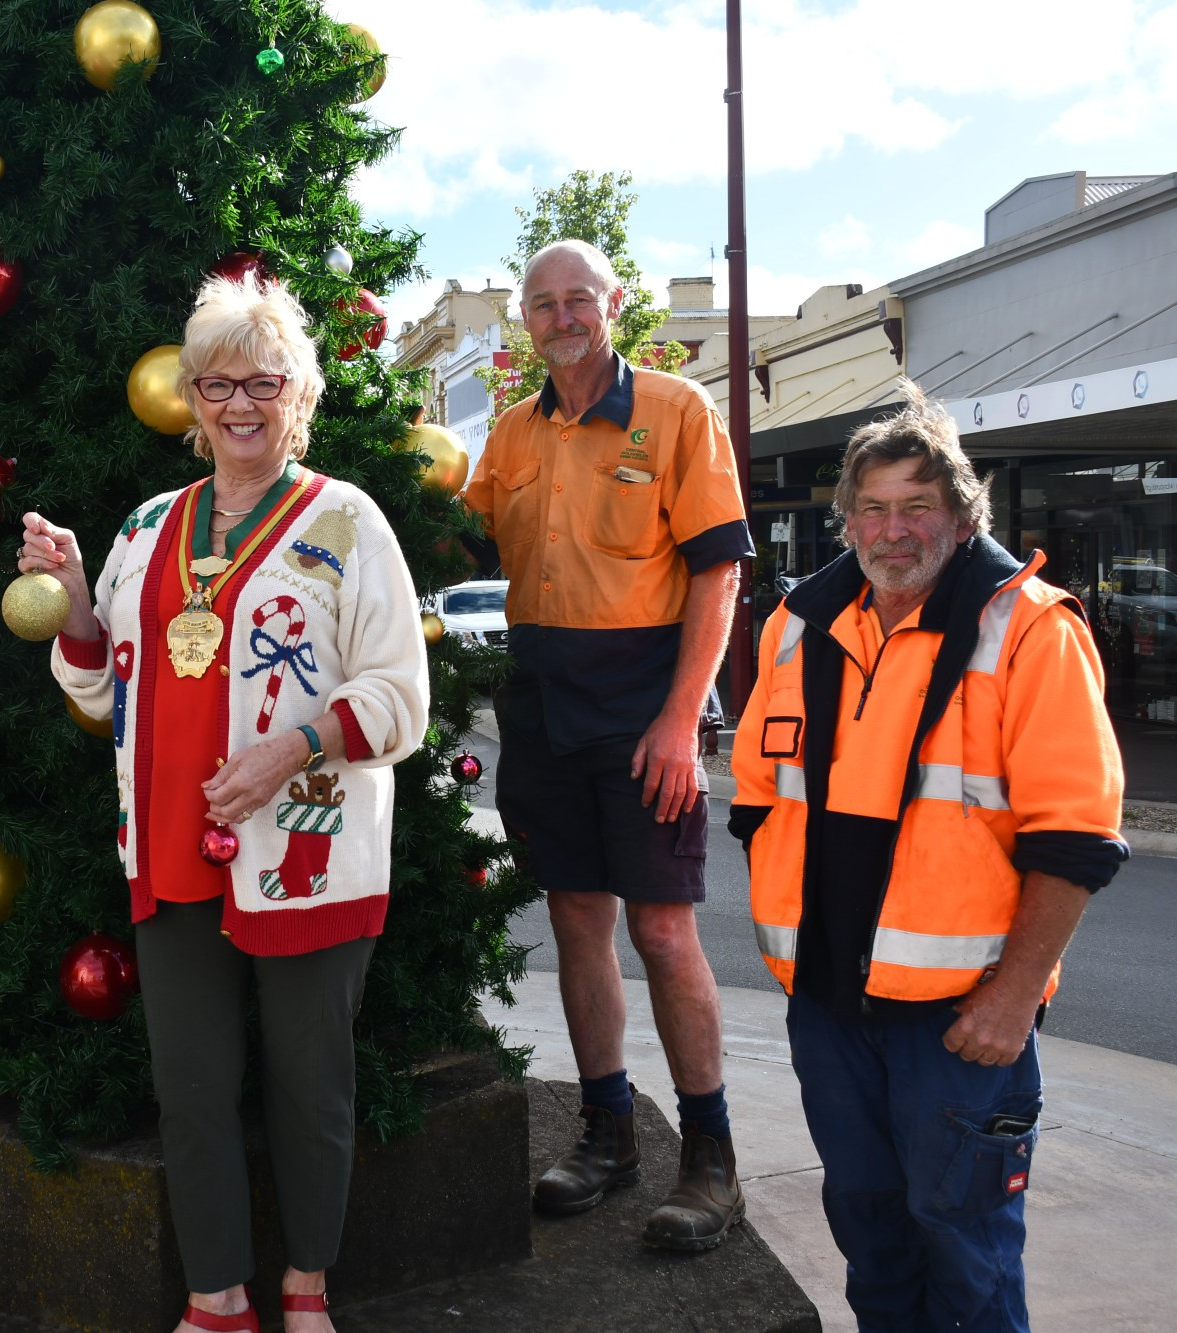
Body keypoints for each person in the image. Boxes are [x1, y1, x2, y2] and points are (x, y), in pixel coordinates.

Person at [22, 275, 429, 1333]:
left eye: (263, 380)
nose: (238, 403)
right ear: (190, 397)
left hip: (302, 845)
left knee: (309, 1085)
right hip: (169, 845)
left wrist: (294, 746)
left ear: (298, 392)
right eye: (217, 382)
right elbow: (98, 684)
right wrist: (73, 591)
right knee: (191, 1088)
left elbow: (399, 694)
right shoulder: (152, 524)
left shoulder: (345, 520)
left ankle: (304, 1287)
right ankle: (216, 1297)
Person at [730, 384, 1126, 1331]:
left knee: (969, 1255)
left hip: (960, 1025)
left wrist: (1013, 994)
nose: (892, 529)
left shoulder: (1031, 628)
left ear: (959, 512)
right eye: (872, 507)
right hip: (828, 1009)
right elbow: (755, 799)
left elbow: (1074, 840)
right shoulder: (798, 625)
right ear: (847, 519)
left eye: (917, 506)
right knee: (871, 1239)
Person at [460, 239, 755, 1249]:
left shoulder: (675, 410)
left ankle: (710, 1163)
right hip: (540, 703)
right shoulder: (508, 432)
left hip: (642, 707)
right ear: (524, 321)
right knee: (575, 919)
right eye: (539, 304)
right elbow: (460, 540)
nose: (559, 317)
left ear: (611, 304)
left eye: (575, 298)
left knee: (663, 931)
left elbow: (718, 574)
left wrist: (680, 720)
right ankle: (606, 1134)